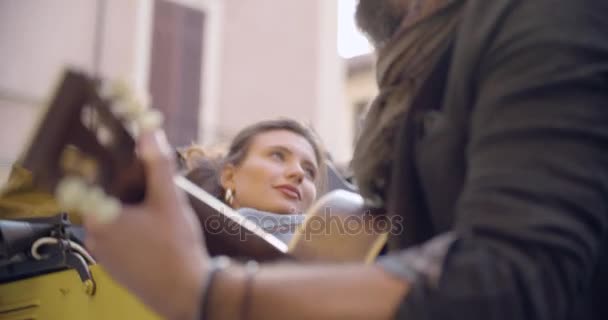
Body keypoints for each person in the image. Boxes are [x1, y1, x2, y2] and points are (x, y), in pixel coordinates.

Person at [84, 0, 608, 319]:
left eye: (308, 166)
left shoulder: (542, 17)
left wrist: (207, 294)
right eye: (277, 156)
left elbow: (513, 278)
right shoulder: (408, 95)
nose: (296, 174)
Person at [179, 118, 326, 242]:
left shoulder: (336, 252)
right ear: (229, 177)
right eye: (278, 156)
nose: (299, 172)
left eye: (309, 171)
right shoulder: (185, 244)